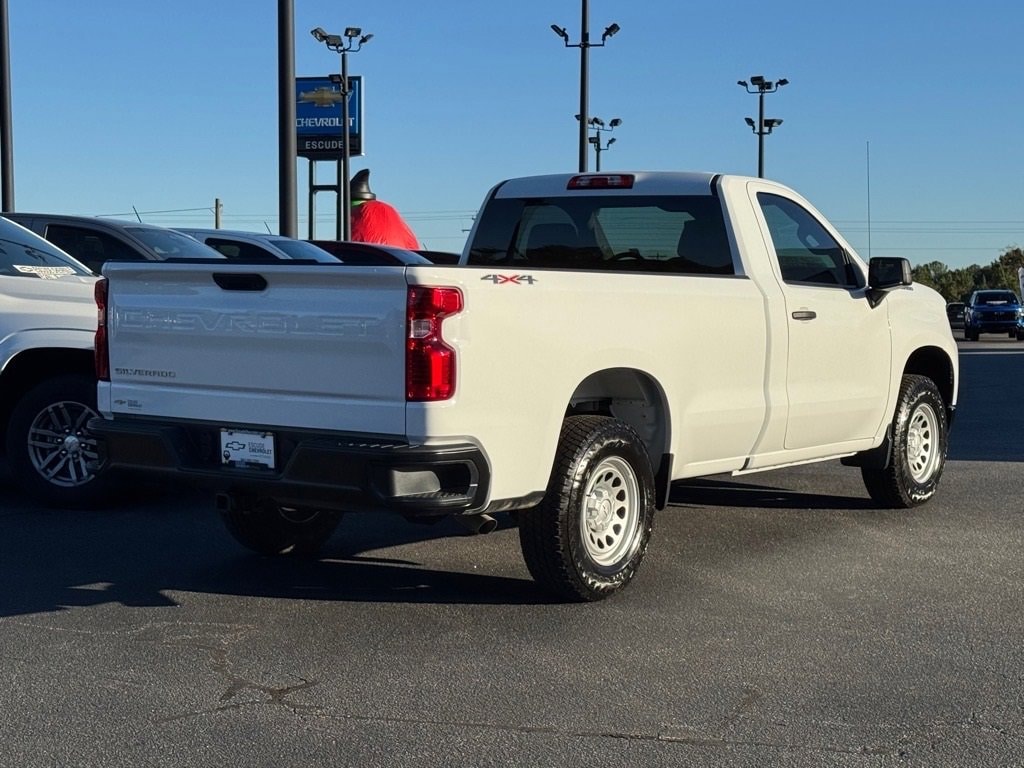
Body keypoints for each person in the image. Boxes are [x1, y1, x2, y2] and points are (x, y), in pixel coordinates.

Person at [349, 169, 421, 250]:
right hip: (403, 256)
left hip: (369, 256)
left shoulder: (359, 211)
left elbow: (352, 240)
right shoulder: (389, 209)